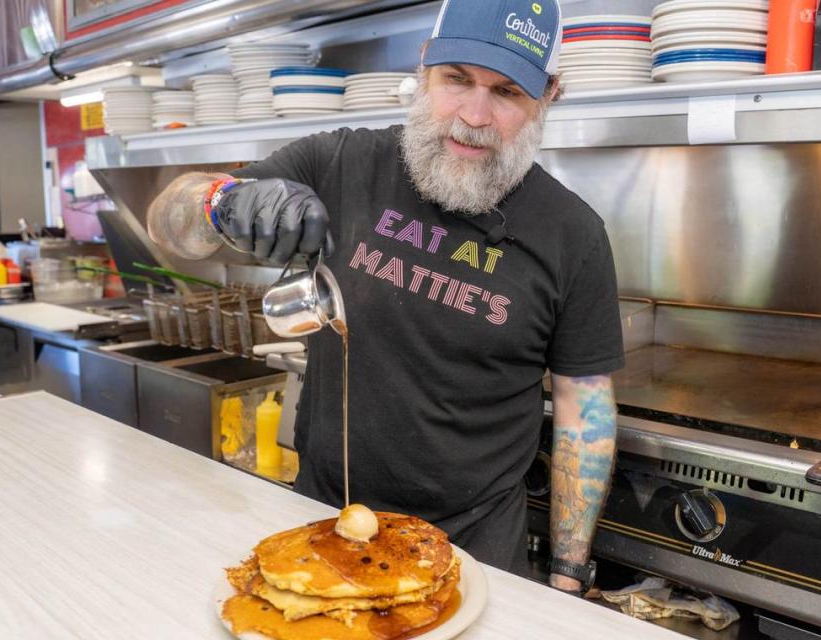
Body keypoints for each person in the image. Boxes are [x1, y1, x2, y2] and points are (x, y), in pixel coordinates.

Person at [148, 0, 623, 597]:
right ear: (425, 66)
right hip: (324, 525)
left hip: (476, 557)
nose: (474, 115)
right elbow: (170, 223)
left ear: (548, 95)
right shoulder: (339, 162)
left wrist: (569, 575)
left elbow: (586, 409)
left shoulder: (572, 234)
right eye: (457, 79)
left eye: (506, 92)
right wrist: (221, 202)